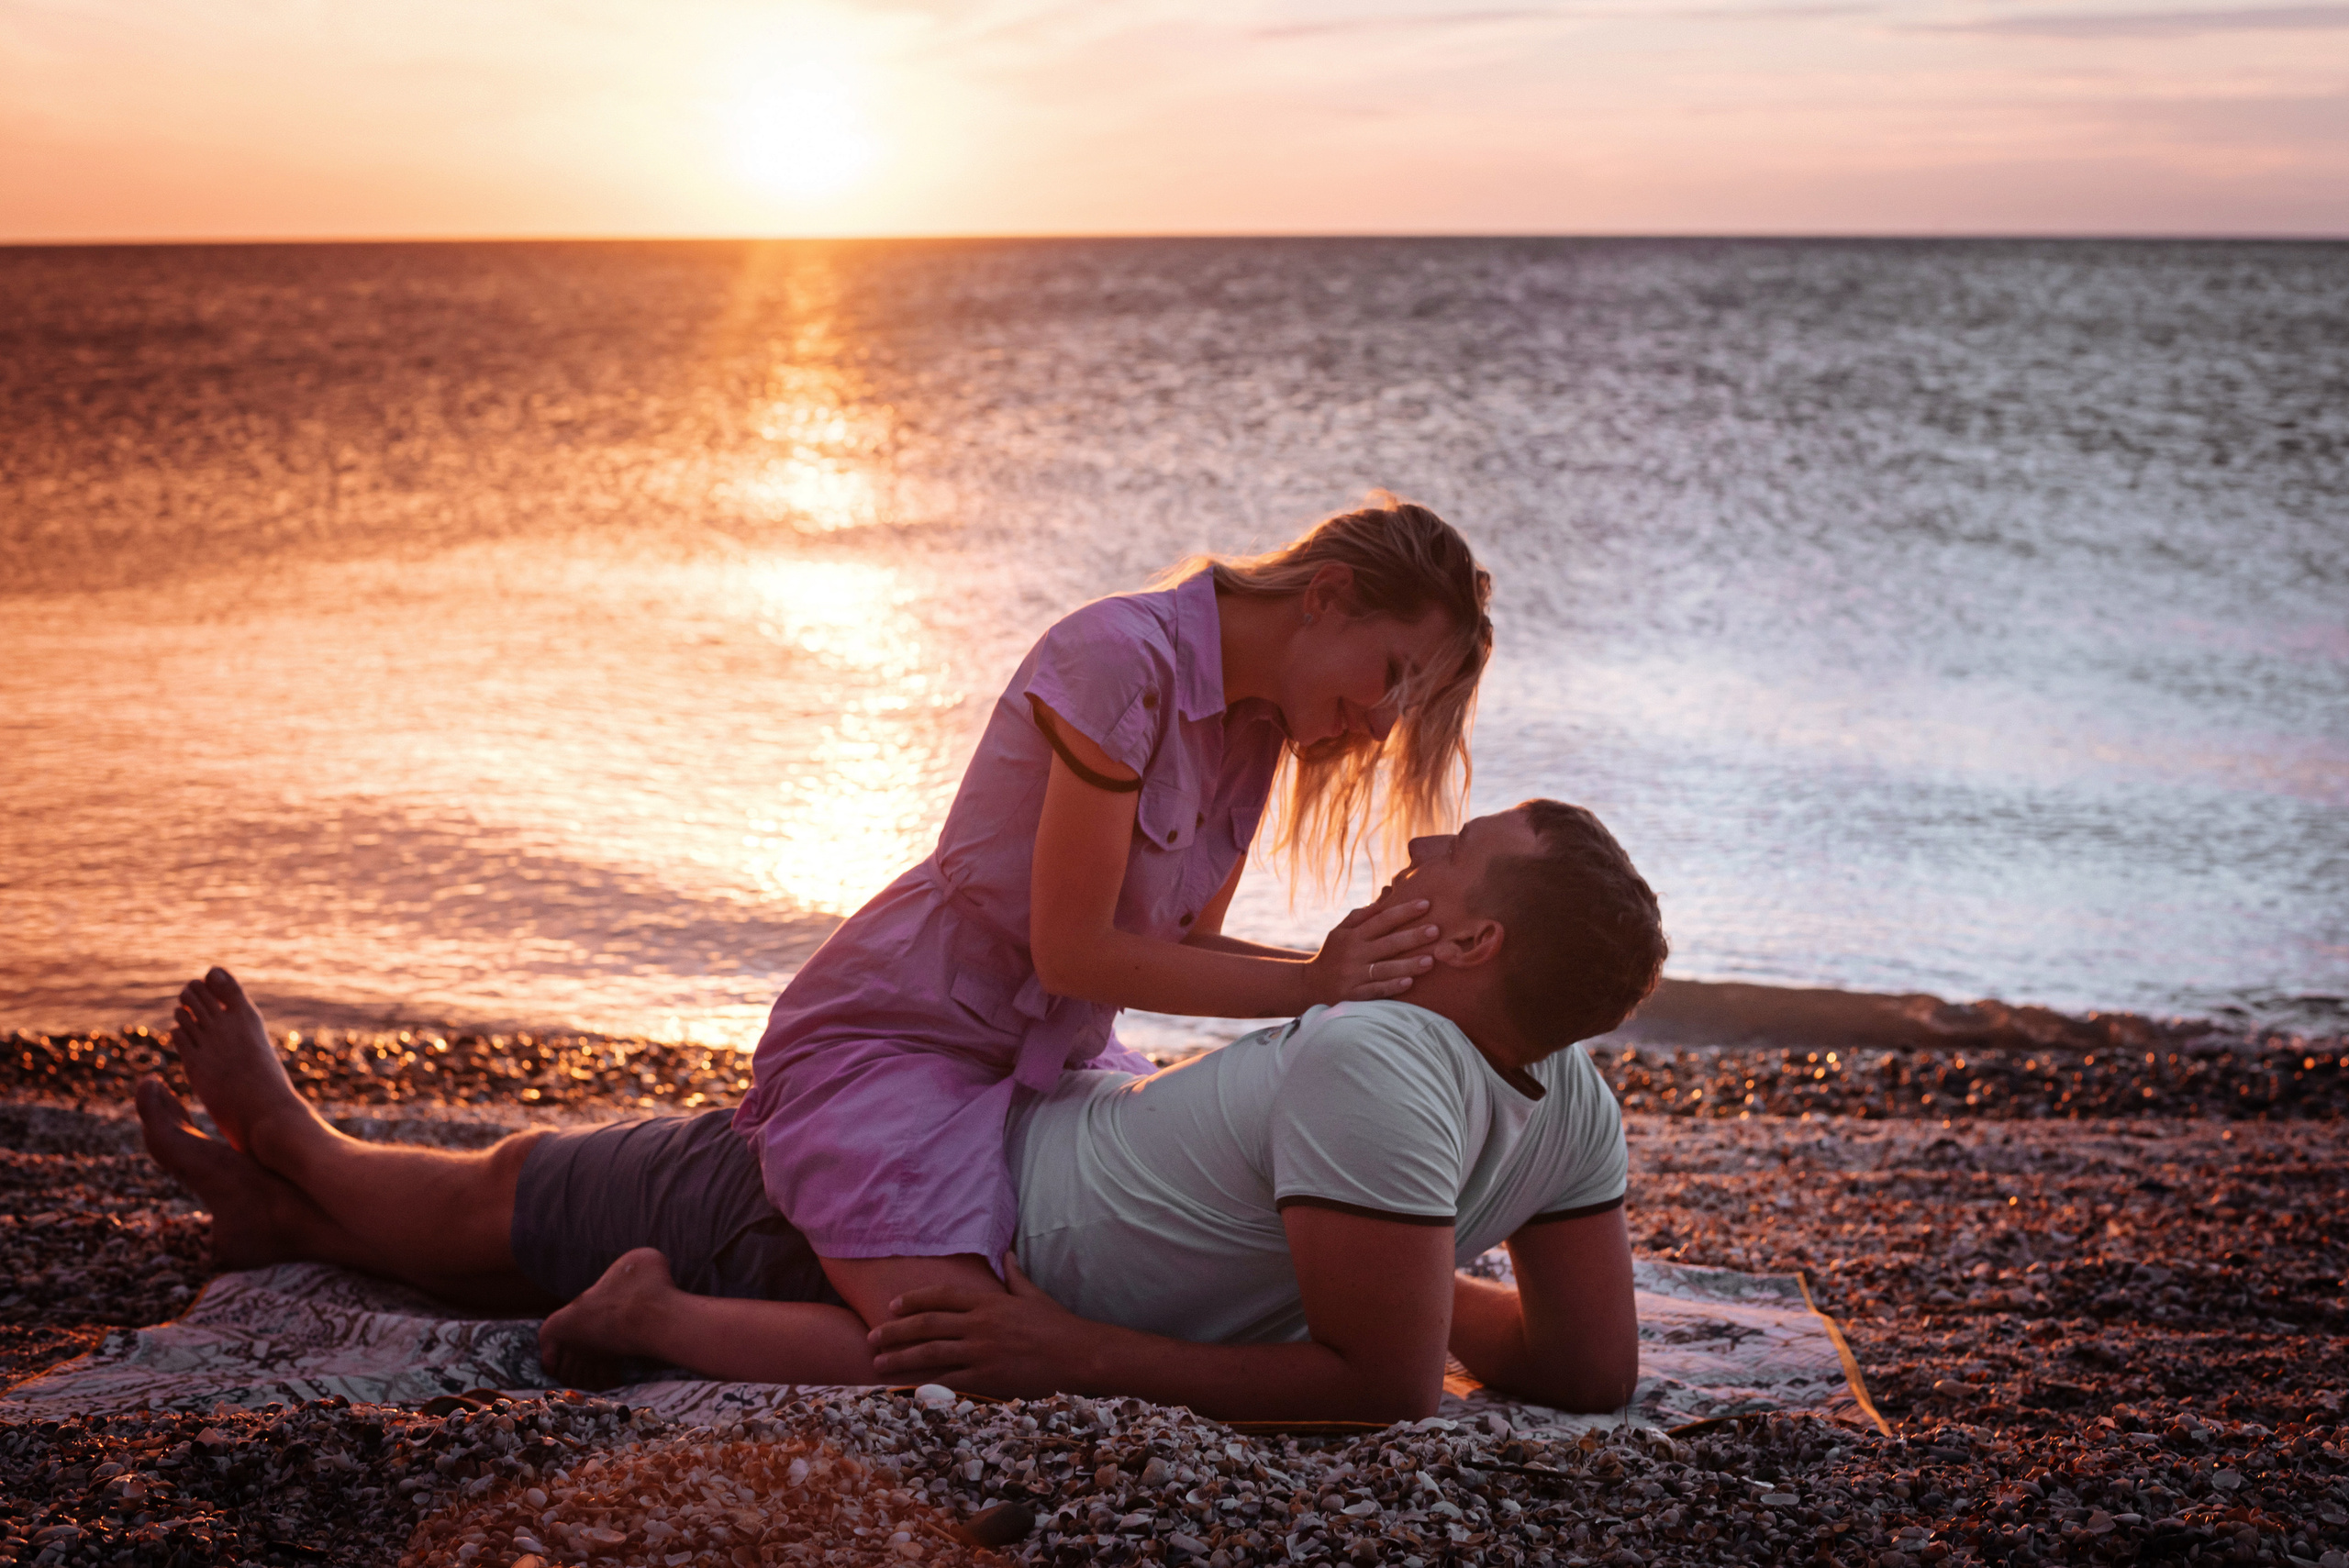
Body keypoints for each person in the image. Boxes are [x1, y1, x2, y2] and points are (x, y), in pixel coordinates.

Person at [138, 799, 1666, 1422]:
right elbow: (1590, 1368)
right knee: (531, 1233)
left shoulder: (1376, 1057)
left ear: (1473, 944)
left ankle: (307, 1146)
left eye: (1452, 851)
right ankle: (295, 1204)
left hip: (939, 1201)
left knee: (523, 1188)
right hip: (998, 1174)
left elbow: (1379, 1382)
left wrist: (1071, 1353)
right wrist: (1412, 1268)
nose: (1415, 837)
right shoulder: (1569, 1098)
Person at [732, 495, 1495, 1340]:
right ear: (1326, 593)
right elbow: (1073, 953)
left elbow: (1185, 946)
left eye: (1410, 707)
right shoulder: (1119, 657)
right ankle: (649, 1315)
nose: (1387, 724)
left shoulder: (1260, 728)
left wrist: (1354, 978)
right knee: (960, 1342)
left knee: (1194, 1292)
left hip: (1055, 1061)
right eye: (1394, 675)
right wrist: (1317, 982)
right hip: (899, 1039)